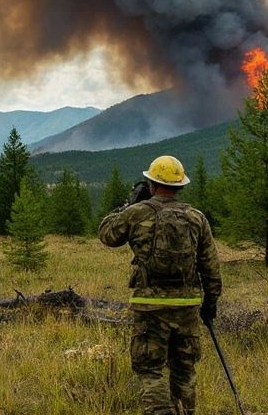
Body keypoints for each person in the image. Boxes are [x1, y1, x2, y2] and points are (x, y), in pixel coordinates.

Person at [98, 155, 221, 415]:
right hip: (187, 307)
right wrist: (210, 302)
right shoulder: (196, 218)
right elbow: (210, 266)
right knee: (184, 370)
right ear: (179, 186)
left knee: (150, 369)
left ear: (152, 184)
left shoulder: (137, 213)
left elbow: (107, 235)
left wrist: (128, 204)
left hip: (149, 306)